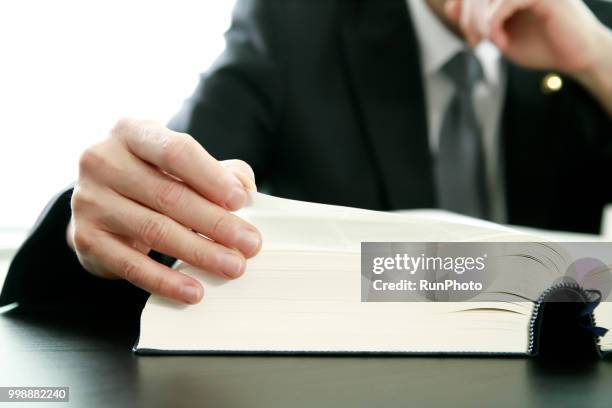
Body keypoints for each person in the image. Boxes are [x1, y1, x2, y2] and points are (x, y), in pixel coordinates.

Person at [1, 0, 611, 311]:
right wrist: (104, 217)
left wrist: (595, 56)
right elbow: (156, 200)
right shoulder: (296, 22)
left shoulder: (590, 28)